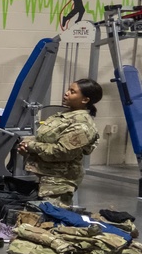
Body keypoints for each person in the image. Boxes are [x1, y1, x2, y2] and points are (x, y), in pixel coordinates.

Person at [17, 78, 102, 206]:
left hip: (59, 183)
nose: (66, 93)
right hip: (45, 176)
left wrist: (31, 146)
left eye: (72, 91)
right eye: (68, 89)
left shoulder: (82, 125)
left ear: (85, 100)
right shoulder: (65, 116)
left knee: (50, 221)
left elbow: (61, 151)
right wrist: (26, 144)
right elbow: (45, 138)